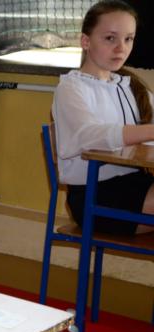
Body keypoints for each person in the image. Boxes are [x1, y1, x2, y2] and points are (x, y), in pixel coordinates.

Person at [52, 0, 154, 235]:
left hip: (136, 182)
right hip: (95, 195)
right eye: (110, 38)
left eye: (128, 39)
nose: (121, 48)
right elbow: (88, 136)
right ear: (85, 41)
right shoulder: (71, 88)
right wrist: (149, 131)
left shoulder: (130, 86)